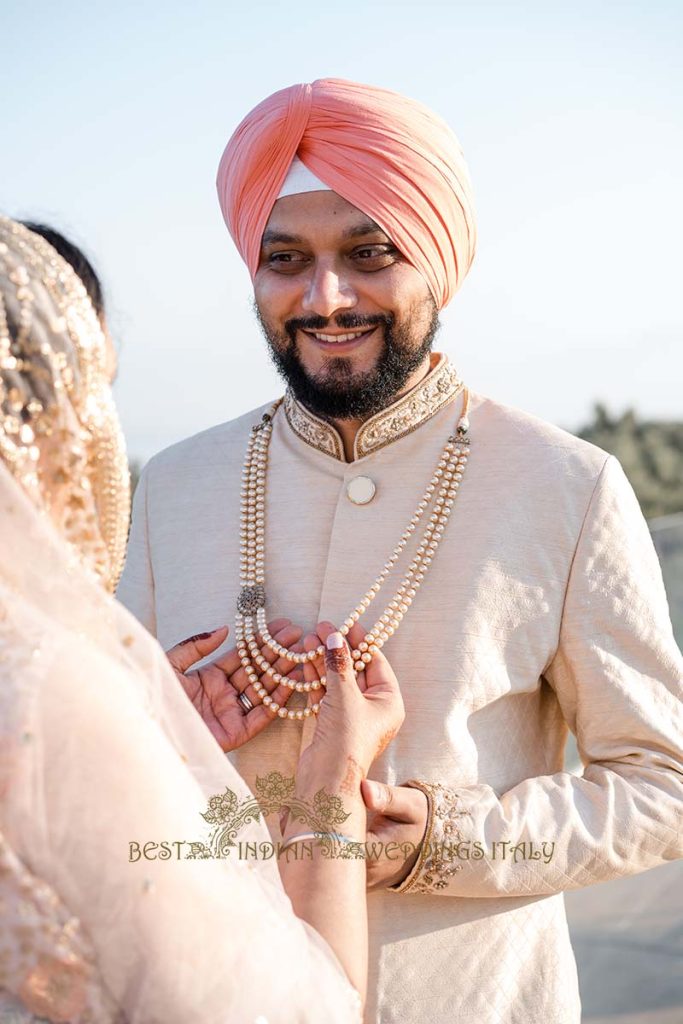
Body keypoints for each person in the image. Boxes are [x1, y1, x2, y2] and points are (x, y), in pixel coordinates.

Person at [117, 78, 683, 1024]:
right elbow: (107, 781)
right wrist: (163, 738)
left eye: (369, 254)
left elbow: (661, 784)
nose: (325, 297)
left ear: (437, 260)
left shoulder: (564, 484)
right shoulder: (177, 483)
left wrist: (445, 840)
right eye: (284, 258)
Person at [0, 214, 407, 1022]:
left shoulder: (566, 482)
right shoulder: (46, 682)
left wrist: (150, 739)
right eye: (94, 389)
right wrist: (332, 784)